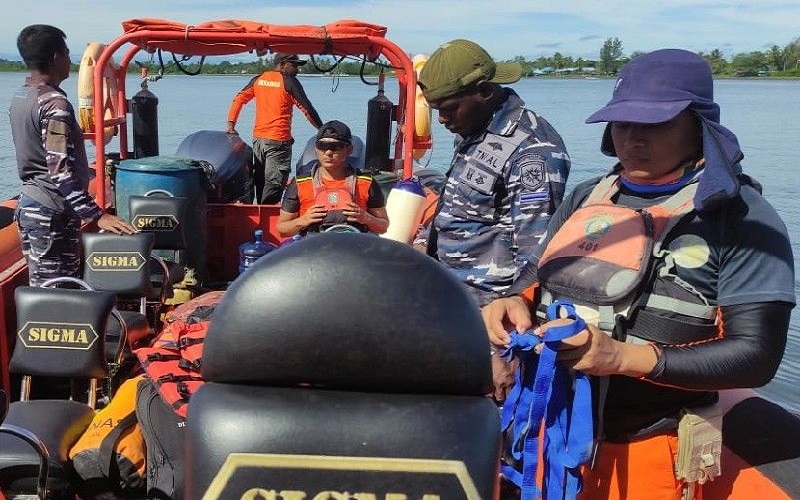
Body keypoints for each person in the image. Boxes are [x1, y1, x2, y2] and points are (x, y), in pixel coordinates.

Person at [482, 49, 795, 499]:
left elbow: (757, 354)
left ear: (700, 125)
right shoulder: (592, 196)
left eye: (655, 124)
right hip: (546, 432)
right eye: (623, 123)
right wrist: (513, 300)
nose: (633, 138)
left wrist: (624, 358)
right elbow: (539, 272)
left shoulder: (744, 221)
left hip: (651, 443)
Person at [415, 39, 571, 308]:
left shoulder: (533, 152)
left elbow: (534, 256)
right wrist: (421, 244)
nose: (441, 119)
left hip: (485, 305)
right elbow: (459, 204)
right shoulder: (474, 128)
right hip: (444, 287)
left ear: (484, 91)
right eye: (436, 109)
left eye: (448, 108)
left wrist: (512, 312)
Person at [10, 25, 137, 287]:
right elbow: (59, 169)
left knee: (43, 287)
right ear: (56, 57)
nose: (71, 60)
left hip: (32, 204)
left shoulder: (21, 95)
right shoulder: (54, 104)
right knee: (58, 292)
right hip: (50, 212)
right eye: (67, 53)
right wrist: (96, 215)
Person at [226, 53, 324, 204]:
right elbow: (307, 109)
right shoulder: (289, 81)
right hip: (278, 142)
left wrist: (231, 125)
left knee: (260, 182)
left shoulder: (259, 79)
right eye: (295, 65)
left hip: (258, 141)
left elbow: (239, 99)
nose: (297, 69)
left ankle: (259, 215)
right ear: (283, 64)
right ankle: (266, 221)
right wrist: (322, 130)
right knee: (274, 185)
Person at [277, 120, 388, 236]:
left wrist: (365, 217)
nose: (328, 152)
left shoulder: (366, 182)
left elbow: (383, 227)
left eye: (335, 147)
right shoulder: (299, 184)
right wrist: (303, 220)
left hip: (354, 248)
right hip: (315, 249)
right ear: (316, 149)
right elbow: (282, 229)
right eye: (322, 146)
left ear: (349, 150)